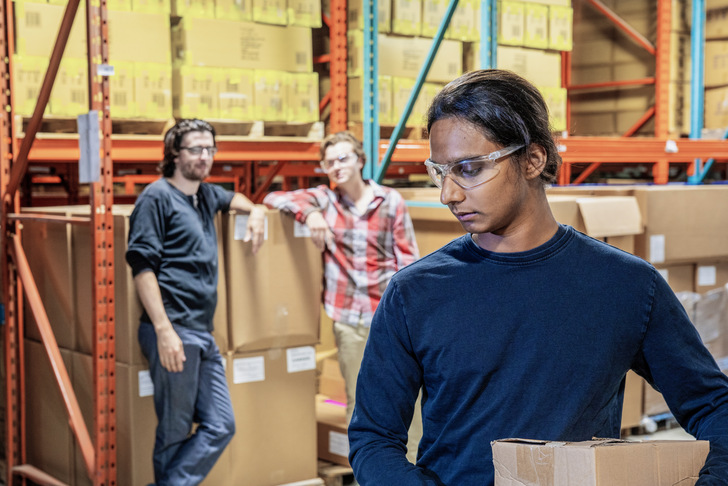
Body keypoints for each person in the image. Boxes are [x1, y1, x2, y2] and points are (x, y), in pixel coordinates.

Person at [347, 69, 728, 485]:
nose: (448, 194)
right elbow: (374, 439)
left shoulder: (627, 285)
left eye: (470, 168)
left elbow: (712, 405)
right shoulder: (414, 293)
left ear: (533, 158)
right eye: (441, 172)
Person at [263, 131, 421, 459]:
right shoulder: (325, 201)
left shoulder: (389, 201)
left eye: (344, 158)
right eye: (329, 161)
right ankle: (367, 473)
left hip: (388, 319)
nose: (337, 166)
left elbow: (409, 262)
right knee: (358, 402)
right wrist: (312, 214)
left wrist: (412, 316)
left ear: (360, 161)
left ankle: (412, 472)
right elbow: (274, 199)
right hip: (348, 321)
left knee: (405, 397)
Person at [126, 118, 267, 485]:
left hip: (202, 332)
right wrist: (163, 330)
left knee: (221, 424)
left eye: (210, 149)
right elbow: (141, 266)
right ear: (174, 152)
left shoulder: (204, 195)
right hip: (174, 328)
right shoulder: (156, 197)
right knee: (174, 431)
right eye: (195, 149)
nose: (205, 156)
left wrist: (256, 210)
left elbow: (232, 198)